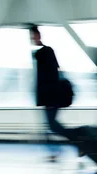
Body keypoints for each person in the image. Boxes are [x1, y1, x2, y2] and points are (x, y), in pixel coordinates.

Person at [29, 24, 69, 162]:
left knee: (52, 125)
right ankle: (71, 144)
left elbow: (50, 77)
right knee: (51, 125)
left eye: (33, 35)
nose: (32, 38)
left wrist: (49, 100)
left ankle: (75, 142)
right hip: (50, 97)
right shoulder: (44, 53)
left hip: (51, 97)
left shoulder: (44, 53)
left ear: (38, 35)